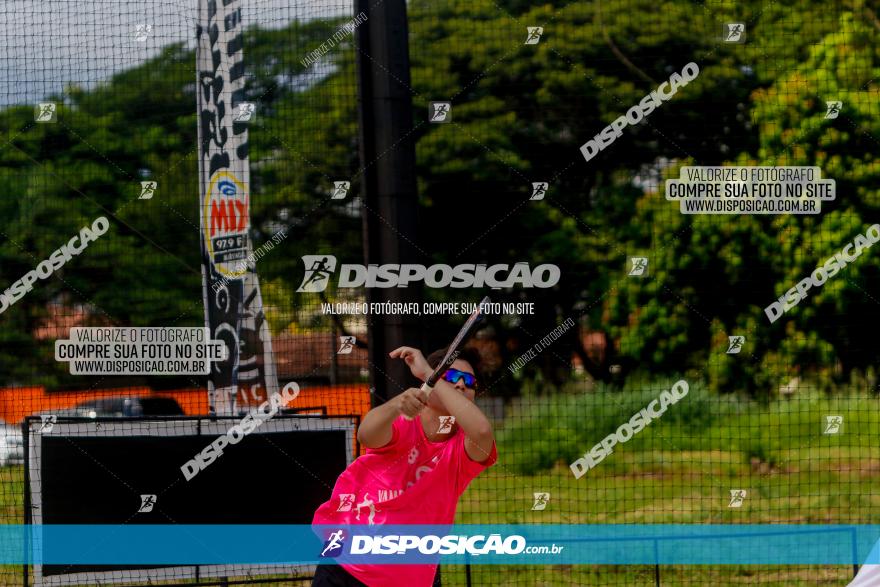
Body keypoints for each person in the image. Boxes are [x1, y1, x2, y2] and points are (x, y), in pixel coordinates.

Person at [312, 345, 497, 587]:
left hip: (406, 578)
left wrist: (429, 374)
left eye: (470, 382)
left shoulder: (462, 450)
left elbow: (483, 431)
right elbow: (366, 435)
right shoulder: (403, 422)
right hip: (345, 560)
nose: (461, 385)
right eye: (451, 376)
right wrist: (397, 403)